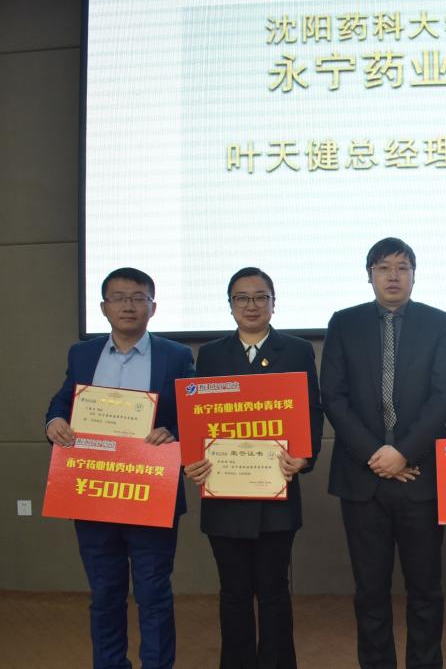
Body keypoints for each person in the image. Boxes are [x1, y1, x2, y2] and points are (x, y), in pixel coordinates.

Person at [45, 267, 195, 669]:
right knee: (105, 594)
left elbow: (193, 417)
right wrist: (54, 421)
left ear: (153, 307)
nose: (128, 306)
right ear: (103, 307)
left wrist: (173, 432)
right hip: (93, 495)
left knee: (153, 594)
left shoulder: (176, 356)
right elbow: (63, 400)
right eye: (119, 298)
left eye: (138, 298)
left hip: (151, 495)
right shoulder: (82, 354)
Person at [320, 237, 446, 669]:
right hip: (362, 481)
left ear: (414, 275)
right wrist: (377, 454)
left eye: (402, 267)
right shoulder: (344, 323)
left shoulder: (438, 323)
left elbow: (443, 396)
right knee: (370, 592)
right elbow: (333, 396)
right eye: (383, 268)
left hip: (421, 478)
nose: (393, 276)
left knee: (426, 591)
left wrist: (403, 453)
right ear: (370, 276)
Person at [184, 267, 323, 669]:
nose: (251, 305)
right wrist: (192, 459)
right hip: (224, 494)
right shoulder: (211, 354)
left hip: (276, 492)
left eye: (261, 297)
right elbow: (199, 418)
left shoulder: (296, 350)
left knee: (274, 590)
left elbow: (312, 412)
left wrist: (305, 456)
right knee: (233, 592)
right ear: (230, 306)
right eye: (242, 298)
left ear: (274, 304)